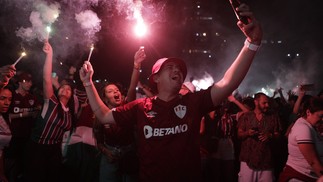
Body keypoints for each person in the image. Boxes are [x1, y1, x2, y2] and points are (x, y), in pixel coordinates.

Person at [79, 3, 262, 182]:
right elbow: (103, 115)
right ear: (156, 78)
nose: (177, 71)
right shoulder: (141, 107)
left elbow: (228, 83)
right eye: (170, 67)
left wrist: (251, 44)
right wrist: (88, 83)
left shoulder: (193, 102)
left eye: (179, 69)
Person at [23, 41, 76, 182]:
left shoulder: (70, 113)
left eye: (69, 89)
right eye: (63, 88)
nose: (65, 89)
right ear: (58, 91)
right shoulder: (51, 102)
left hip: (55, 151)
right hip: (37, 149)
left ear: (71, 95)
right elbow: (47, 79)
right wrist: (49, 55)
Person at [94, 47, 146, 182]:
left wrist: (136, 66)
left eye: (117, 90)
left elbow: (132, 87)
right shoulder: (100, 115)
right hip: (110, 154)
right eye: (110, 91)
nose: (115, 92)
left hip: (129, 153)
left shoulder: (126, 107)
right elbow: (98, 140)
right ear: (105, 98)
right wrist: (106, 152)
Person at [237, 92, 281, 182]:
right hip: (248, 159)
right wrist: (248, 133)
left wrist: (270, 135)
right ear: (256, 102)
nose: (267, 105)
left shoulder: (273, 117)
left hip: (266, 161)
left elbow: (278, 134)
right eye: (264, 103)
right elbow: (239, 134)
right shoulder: (246, 116)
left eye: (268, 103)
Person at [5, 72, 41, 182]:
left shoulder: (32, 98)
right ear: (20, 82)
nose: (30, 84)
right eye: (27, 81)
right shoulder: (12, 96)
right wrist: (22, 115)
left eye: (31, 82)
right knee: (10, 160)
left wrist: (38, 110)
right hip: (13, 136)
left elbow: (38, 110)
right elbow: (7, 115)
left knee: (23, 160)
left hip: (27, 136)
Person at [278, 97, 323, 182]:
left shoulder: (312, 126)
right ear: (308, 112)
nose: (322, 119)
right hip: (299, 177)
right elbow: (313, 161)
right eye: (320, 116)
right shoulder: (302, 128)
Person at [0, 87, 13, 182]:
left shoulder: (5, 117)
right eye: (2, 98)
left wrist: (2, 174)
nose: (7, 103)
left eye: (9, 99)